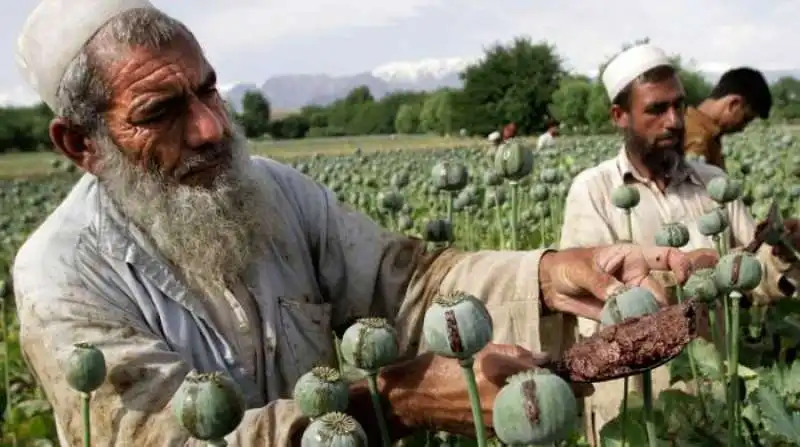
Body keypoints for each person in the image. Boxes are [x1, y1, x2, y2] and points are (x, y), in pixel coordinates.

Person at [13, 3, 716, 445]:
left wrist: (550, 271)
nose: (208, 128)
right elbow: (163, 438)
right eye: (160, 110)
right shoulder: (62, 275)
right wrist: (395, 403)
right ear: (81, 145)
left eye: (208, 89)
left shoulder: (273, 193)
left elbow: (409, 284)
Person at [559, 43, 800, 445]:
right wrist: (688, 276)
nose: (673, 121)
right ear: (620, 116)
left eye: (679, 106)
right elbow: (588, 305)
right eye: (656, 109)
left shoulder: (712, 185)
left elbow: (753, 282)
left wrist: (777, 253)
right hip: (632, 409)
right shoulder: (593, 190)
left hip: (712, 401)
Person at [684, 67, 772, 170]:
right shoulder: (697, 141)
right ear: (733, 104)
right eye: (746, 119)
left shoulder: (707, 132)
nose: (742, 129)